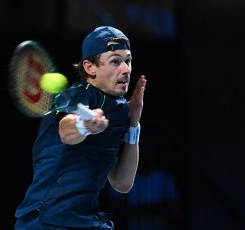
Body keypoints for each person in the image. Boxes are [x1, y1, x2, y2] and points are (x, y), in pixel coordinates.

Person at [14, 26, 147, 230]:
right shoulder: (77, 95)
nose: (126, 69)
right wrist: (85, 125)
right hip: (45, 219)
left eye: (128, 60)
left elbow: (122, 183)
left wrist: (133, 123)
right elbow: (66, 131)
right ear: (89, 67)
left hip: (85, 220)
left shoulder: (119, 109)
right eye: (115, 61)